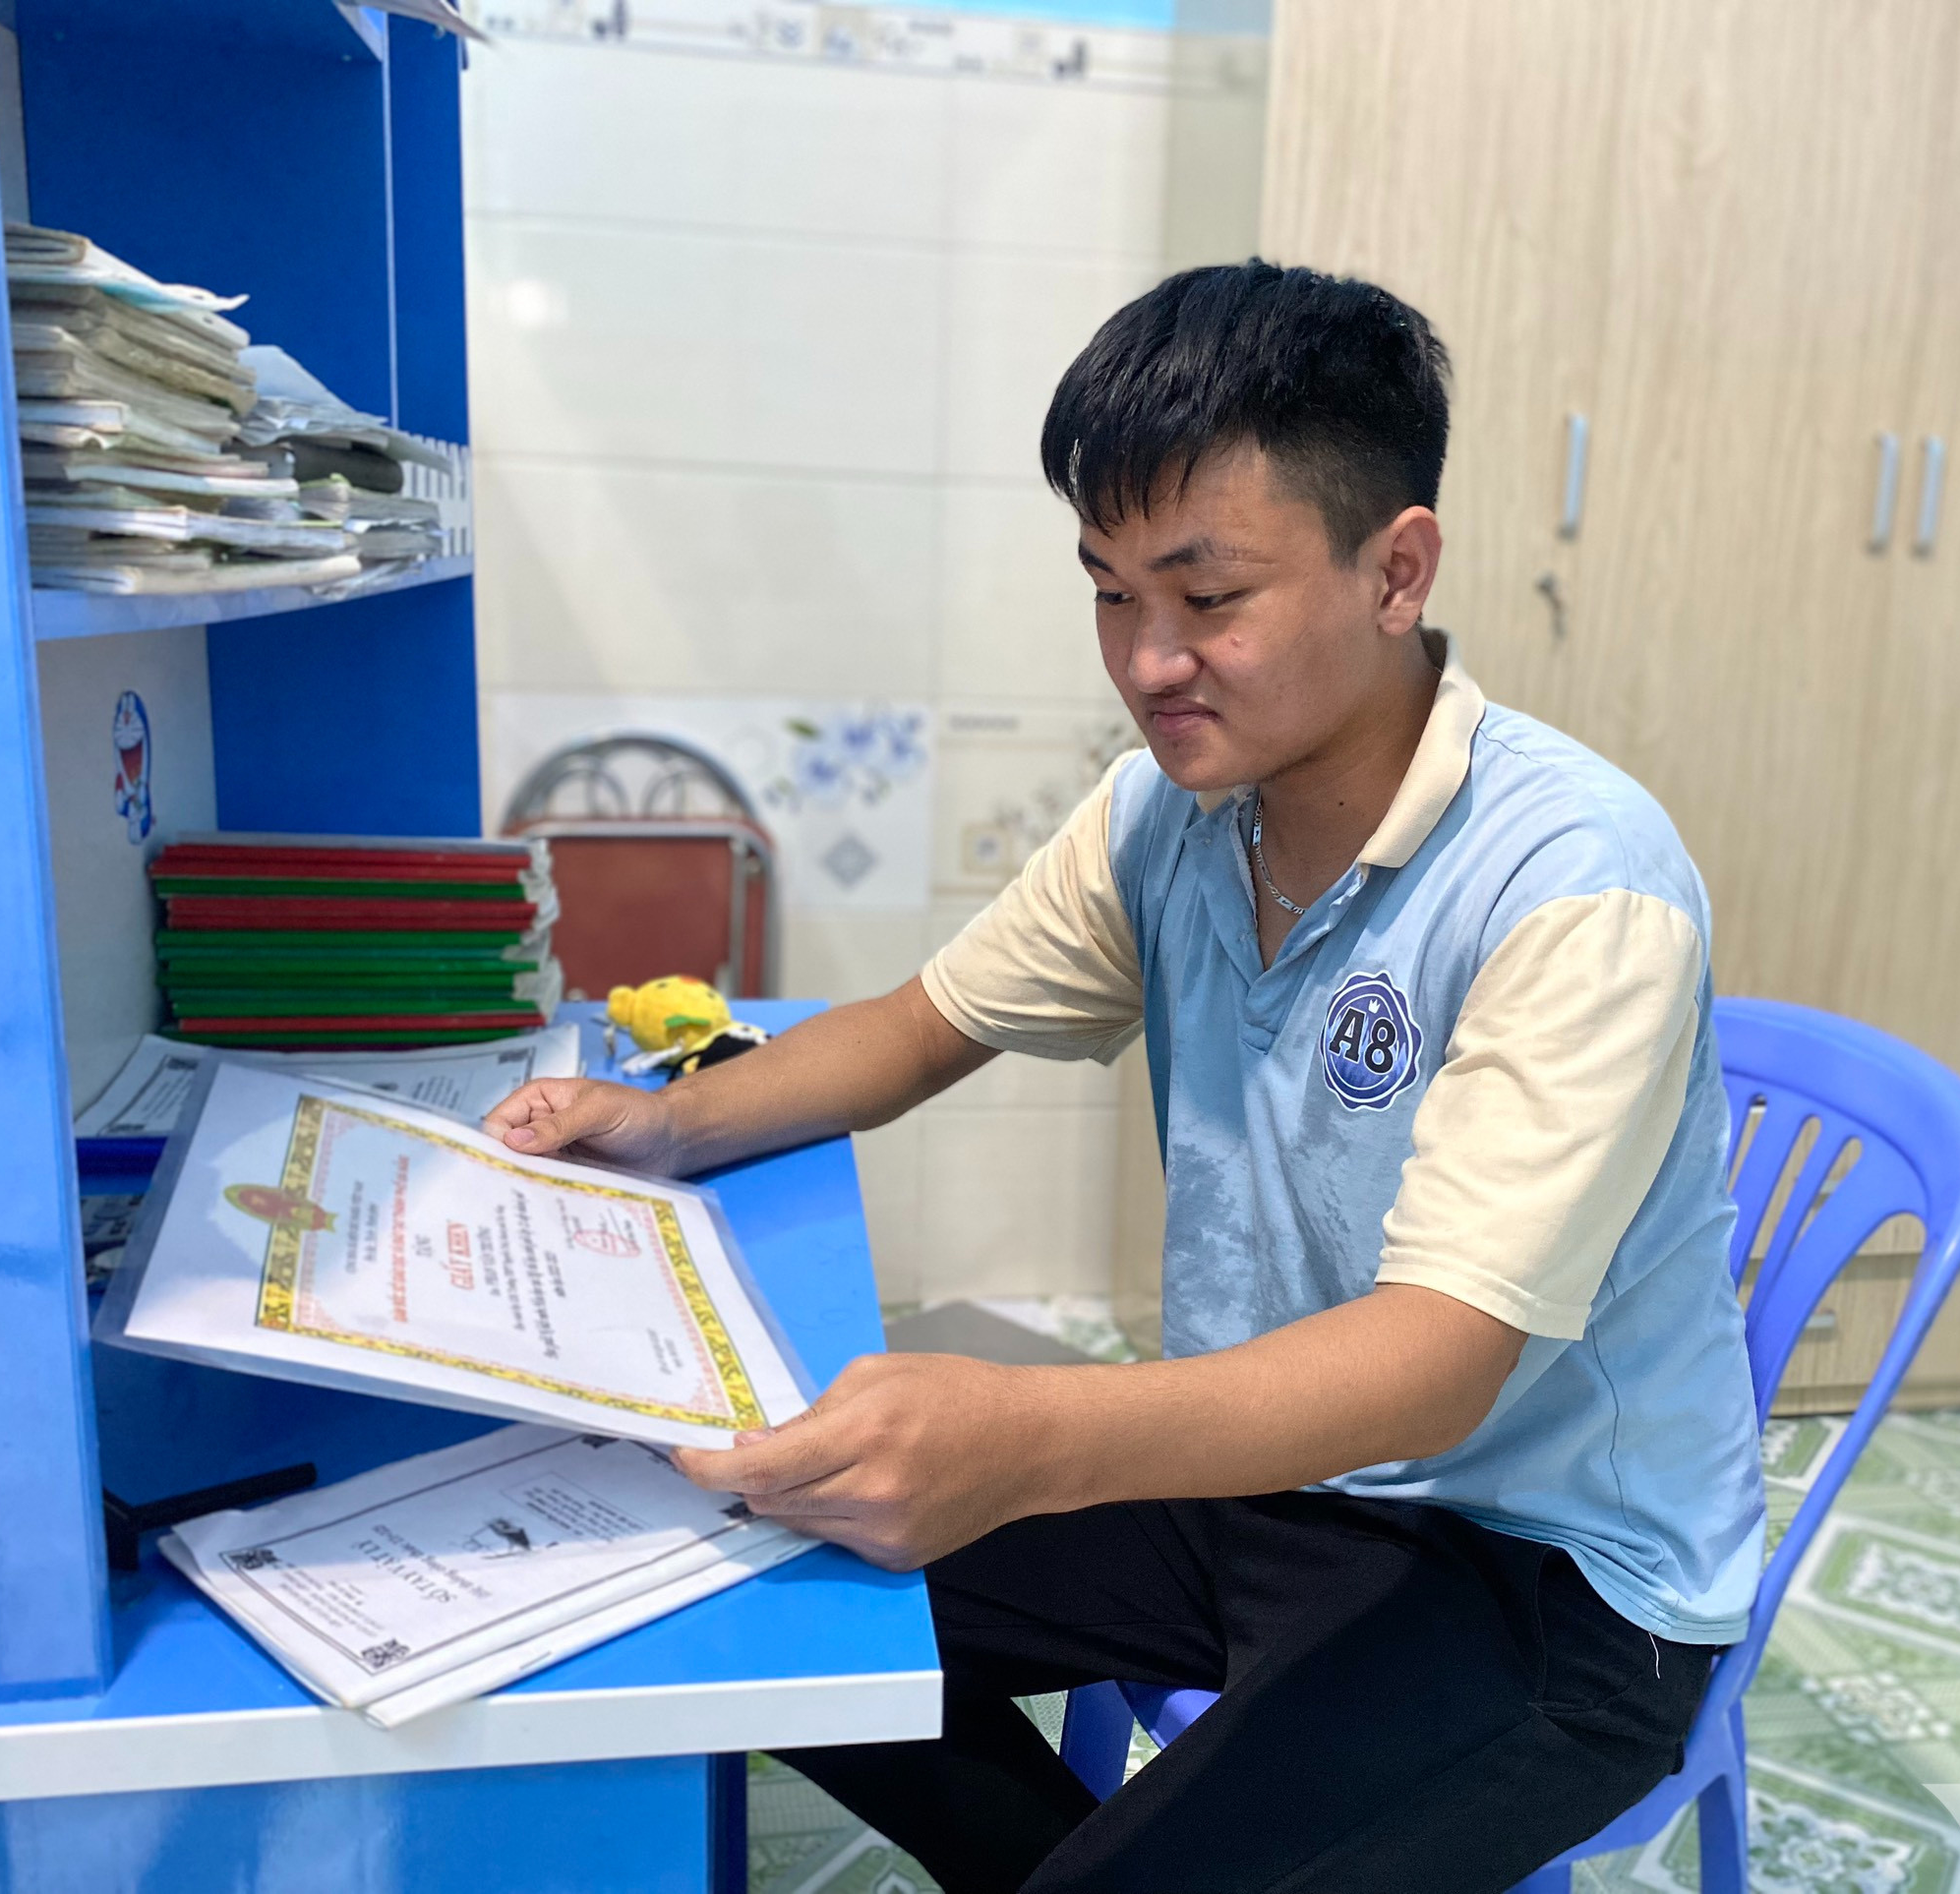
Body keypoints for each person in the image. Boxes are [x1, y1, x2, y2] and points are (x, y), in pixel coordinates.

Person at [483, 261, 1765, 1894]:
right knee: (738, 1591)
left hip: (1550, 1577)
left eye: (1207, 596)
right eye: (1109, 593)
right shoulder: (1171, 812)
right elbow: (923, 1023)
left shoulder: (1576, 884)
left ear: (1396, 570)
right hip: (1269, 1472)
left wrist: (1026, 1431)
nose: (1150, 662)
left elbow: (1438, 1365)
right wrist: (664, 1121)